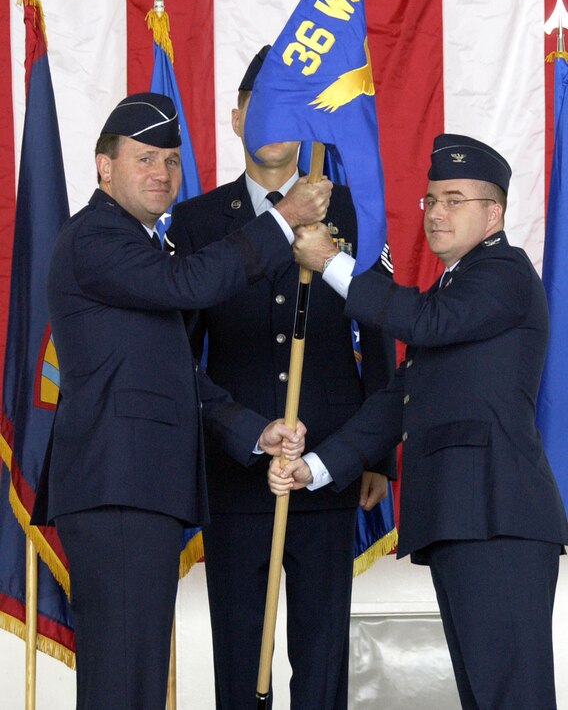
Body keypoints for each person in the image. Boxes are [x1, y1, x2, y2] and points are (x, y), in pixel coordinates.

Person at [30, 92, 332, 710]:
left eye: (170, 160)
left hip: (137, 488)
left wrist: (254, 431)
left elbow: (175, 377)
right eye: (144, 159)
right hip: (118, 486)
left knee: (135, 675)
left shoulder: (143, 244)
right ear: (103, 167)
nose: (162, 173)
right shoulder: (95, 237)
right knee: (122, 680)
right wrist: (282, 219)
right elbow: (191, 283)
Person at [270, 133, 568, 710]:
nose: (436, 212)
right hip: (466, 519)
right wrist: (315, 467)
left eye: (455, 199)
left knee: (511, 695)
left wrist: (331, 261)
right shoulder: (454, 291)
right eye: (432, 200)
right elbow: (395, 403)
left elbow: (423, 322)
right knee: (488, 694)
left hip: (496, 517)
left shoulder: (503, 271)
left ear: (494, 213)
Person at [166, 47, 396, 710]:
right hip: (236, 467)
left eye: (287, 110)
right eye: (258, 109)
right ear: (236, 119)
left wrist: (378, 454)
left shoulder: (353, 212)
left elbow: (377, 332)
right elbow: (181, 354)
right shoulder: (196, 221)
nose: (272, 123)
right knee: (242, 658)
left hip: (330, 456)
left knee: (323, 659)